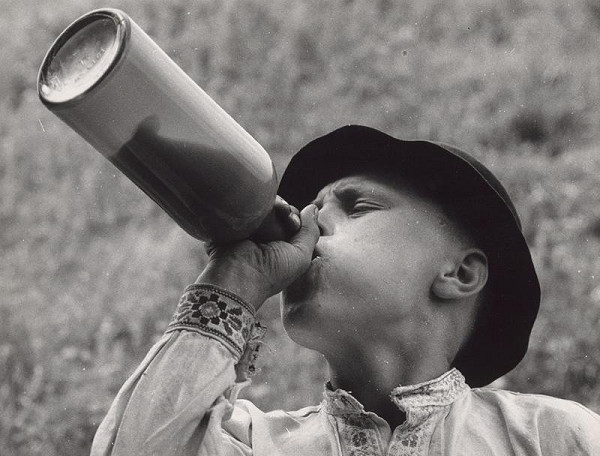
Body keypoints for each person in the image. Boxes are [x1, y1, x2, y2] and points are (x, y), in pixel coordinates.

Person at [91, 126, 600, 455]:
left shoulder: (552, 438)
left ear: (459, 274)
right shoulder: (254, 442)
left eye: (356, 207)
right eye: (309, 211)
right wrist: (235, 279)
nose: (306, 226)